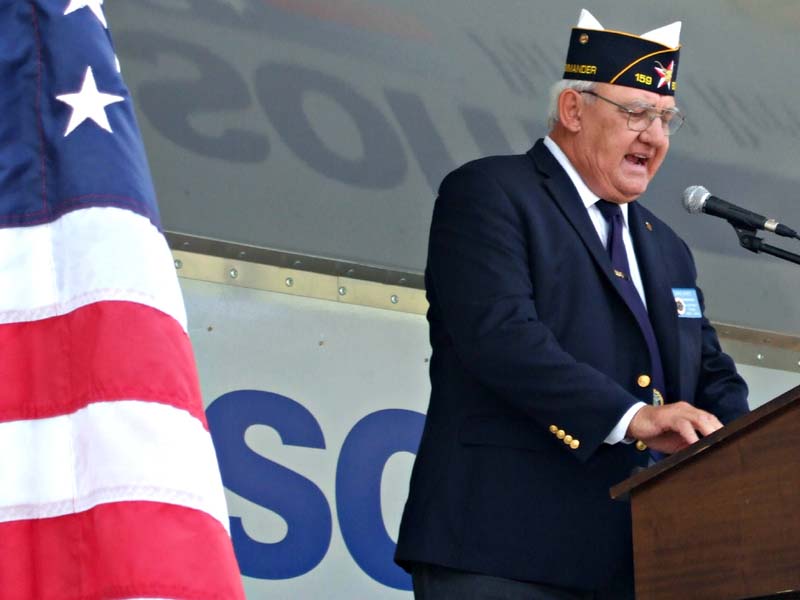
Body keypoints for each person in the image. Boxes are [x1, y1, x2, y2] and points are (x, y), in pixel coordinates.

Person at [394, 9, 749, 599]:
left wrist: (746, 449)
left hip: (638, 561)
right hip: (502, 549)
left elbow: (709, 372)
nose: (654, 136)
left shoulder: (668, 247)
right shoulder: (491, 192)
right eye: (635, 112)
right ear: (573, 111)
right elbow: (501, 336)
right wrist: (635, 417)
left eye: (665, 119)